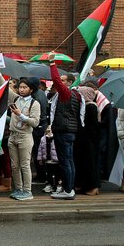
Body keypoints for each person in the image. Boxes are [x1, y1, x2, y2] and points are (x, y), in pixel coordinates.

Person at [48, 55, 81, 199]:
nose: (59, 83)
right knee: (69, 161)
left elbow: (55, 80)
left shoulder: (67, 93)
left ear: (69, 83)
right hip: (68, 130)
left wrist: (52, 63)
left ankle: (68, 190)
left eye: (63, 81)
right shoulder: (73, 94)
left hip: (64, 131)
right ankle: (69, 188)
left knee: (65, 162)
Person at [6, 77, 40, 200]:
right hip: (13, 135)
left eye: (25, 87)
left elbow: (35, 122)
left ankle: (27, 191)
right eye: (20, 87)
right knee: (14, 166)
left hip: (25, 136)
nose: (21, 89)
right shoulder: (16, 98)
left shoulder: (34, 103)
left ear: (31, 89)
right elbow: (5, 89)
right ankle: (18, 189)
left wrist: (21, 115)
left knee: (25, 165)